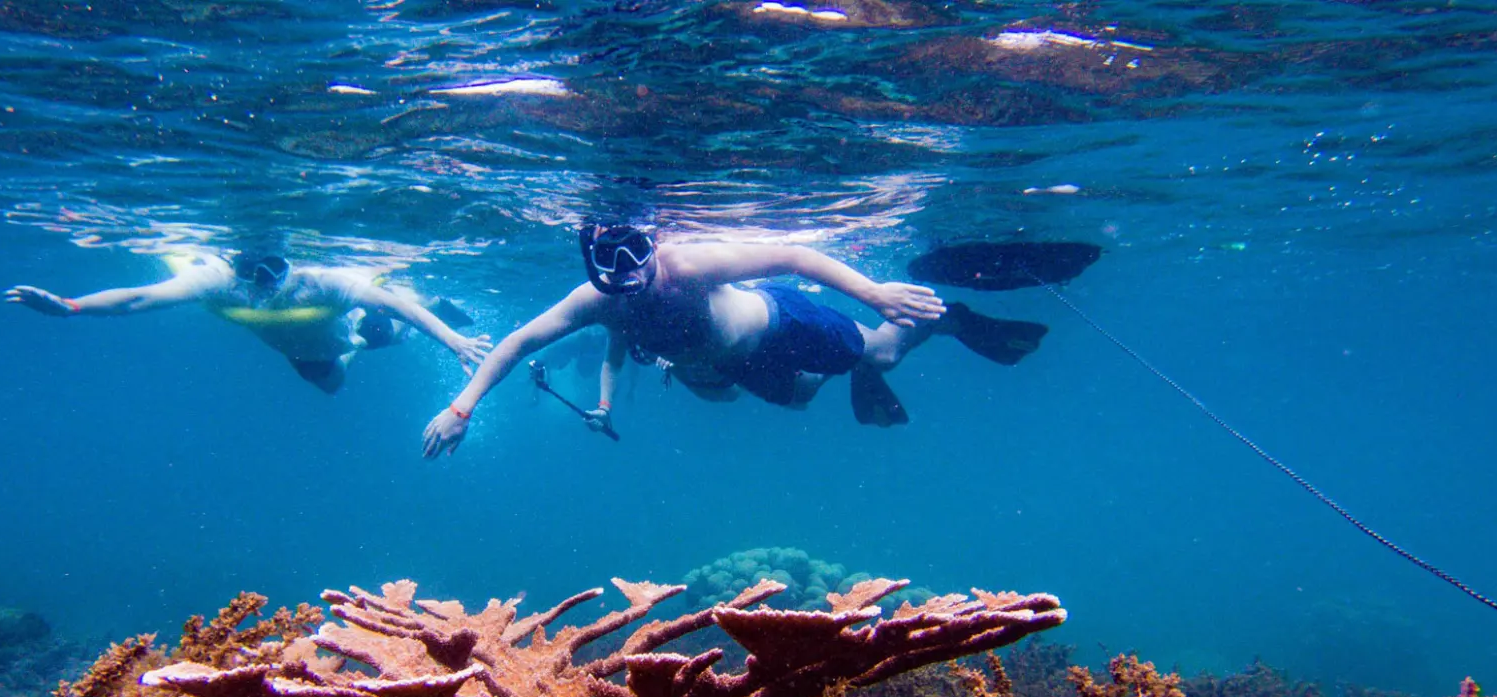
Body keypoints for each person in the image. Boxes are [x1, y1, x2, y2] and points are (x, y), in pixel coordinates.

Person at [421, 224, 1038, 457]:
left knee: (882, 353)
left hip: (780, 322)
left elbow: (793, 253)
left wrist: (873, 292)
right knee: (799, 399)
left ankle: (944, 319)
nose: (630, 274)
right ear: (593, 262)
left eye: (637, 254)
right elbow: (517, 344)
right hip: (740, 362)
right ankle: (854, 356)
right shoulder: (596, 303)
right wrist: (462, 407)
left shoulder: (687, 265)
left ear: (652, 243)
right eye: (612, 263)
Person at [7, 250, 491, 393]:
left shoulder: (324, 281)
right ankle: (349, 355)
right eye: (250, 269)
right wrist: (72, 306)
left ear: (291, 263)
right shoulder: (217, 280)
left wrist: (452, 340)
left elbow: (398, 309)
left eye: (272, 270)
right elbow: (141, 298)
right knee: (329, 387)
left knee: (394, 330)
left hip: (353, 325)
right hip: (303, 351)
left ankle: (431, 297)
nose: (261, 281)